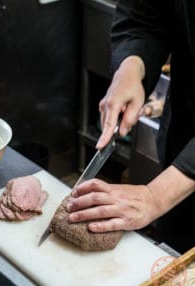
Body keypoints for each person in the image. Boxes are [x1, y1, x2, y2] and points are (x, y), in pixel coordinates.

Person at [67, 0, 195, 253]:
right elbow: (145, 14)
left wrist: (157, 196)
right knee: (171, 266)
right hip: (182, 136)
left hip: (182, 173)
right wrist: (131, 66)